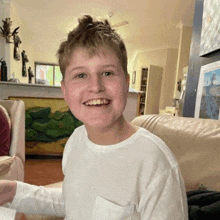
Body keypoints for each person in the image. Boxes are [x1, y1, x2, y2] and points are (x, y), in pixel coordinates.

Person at [0, 15, 188, 219]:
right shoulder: (75, 141)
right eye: (81, 75)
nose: (96, 87)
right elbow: (74, 200)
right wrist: (13, 191)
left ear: (126, 83)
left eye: (107, 73)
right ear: (65, 90)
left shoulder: (155, 163)